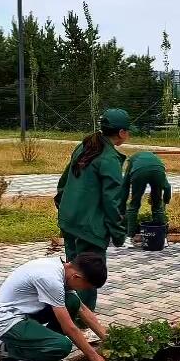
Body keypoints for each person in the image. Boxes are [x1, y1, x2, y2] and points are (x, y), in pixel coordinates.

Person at [0, 253, 109, 361]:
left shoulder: (64, 271)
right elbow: (69, 328)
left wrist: (109, 340)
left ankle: (41, 360)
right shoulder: (50, 279)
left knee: (72, 301)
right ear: (77, 277)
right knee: (61, 346)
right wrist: (93, 357)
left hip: (28, 313)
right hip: (8, 321)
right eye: (86, 287)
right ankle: (7, 351)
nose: (84, 290)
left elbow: (82, 309)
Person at [55, 109, 129, 311]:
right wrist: (118, 233)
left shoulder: (84, 146)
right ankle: (82, 320)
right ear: (122, 132)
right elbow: (112, 201)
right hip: (89, 229)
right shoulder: (109, 159)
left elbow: (63, 182)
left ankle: (67, 312)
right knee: (87, 277)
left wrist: (65, 207)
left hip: (70, 221)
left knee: (71, 272)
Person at [120, 151, 172, 241]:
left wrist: (122, 207)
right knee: (157, 206)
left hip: (139, 172)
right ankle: (160, 236)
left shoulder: (132, 159)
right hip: (158, 172)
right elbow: (167, 187)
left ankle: (130, 236)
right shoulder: (156, 162)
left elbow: (125, 185)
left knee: (134, 205)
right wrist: (165, 202)